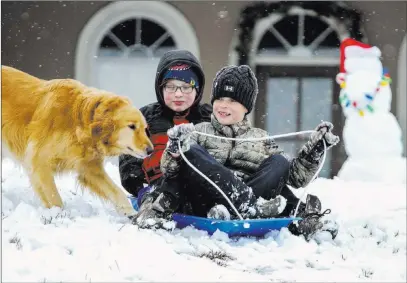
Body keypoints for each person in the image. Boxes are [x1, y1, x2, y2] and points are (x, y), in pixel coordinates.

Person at [134, 65, 340, 240]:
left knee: (279, 162)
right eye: (220, 99)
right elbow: (170, 172)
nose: (224, 105)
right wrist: (175, 148)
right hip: (205, 201)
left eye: (232, 101)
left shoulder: (261, 137)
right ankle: (250, 208)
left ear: (246, 107)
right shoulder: (198, 131)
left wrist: (315, 149)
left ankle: (241, 209)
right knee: (192, 151)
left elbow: (295, 178)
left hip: (244, 199)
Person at [118, 50, 212, 207]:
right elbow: (128, 163)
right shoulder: (143, 117)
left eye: (186, 87)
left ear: (198, 89)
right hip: (154, 190)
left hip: (199, 191)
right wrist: (142, 190)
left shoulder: (209, 118)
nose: (178, 94)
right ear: (160, 88)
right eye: (171, 87)